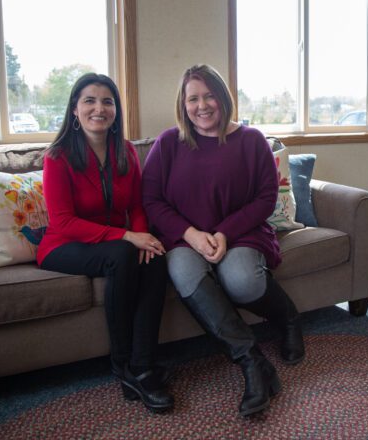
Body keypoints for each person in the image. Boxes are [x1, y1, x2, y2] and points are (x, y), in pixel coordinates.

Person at [142, 64, 305, 417]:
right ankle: (252, 362)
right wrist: (190, 234)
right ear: (183, 104)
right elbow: (151, 200)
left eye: (209, 95)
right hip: (185, 238)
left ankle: (289, 319)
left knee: (242, 281)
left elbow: (265, 198)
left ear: (223, 97)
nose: (202, 105)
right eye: (193, 98)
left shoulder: (251, 141)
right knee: (183, 272)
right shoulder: (169, 142)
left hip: (241, 232)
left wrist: (223, 233)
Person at [37, 73, 174, 412]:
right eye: (90, 100)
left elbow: (138, 207)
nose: (99, 108)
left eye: (107, 101)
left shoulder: (125, 151)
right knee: (122, 254)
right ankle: (121, 363)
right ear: (74, 109)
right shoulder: (58, 156)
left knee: (155, 255)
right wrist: (128, 236)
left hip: (112, 244)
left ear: (116, 110)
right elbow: (63, 222)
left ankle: (143, 366)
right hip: (63, 246)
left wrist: (143, 238)